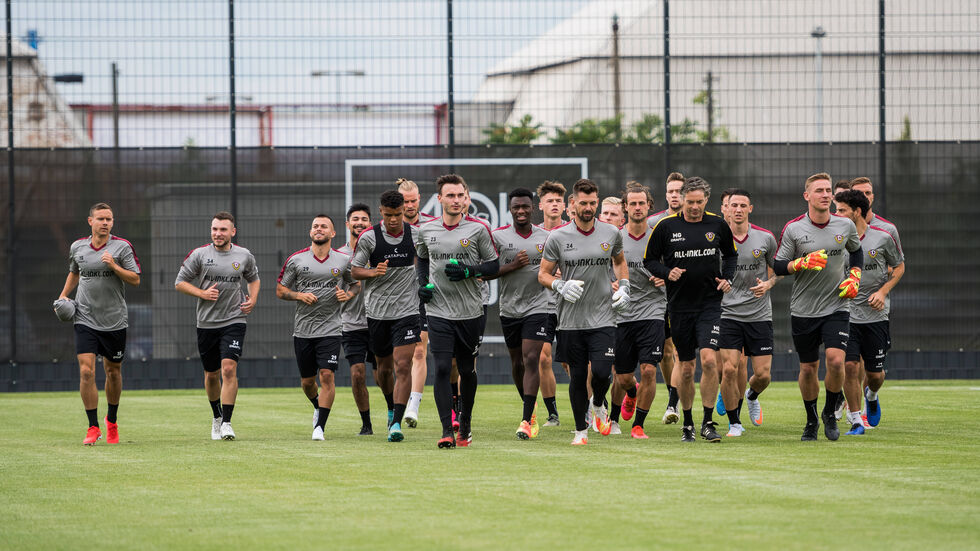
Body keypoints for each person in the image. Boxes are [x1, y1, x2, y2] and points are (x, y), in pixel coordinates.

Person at [644, 177, 737, 443]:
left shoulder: (717, 224)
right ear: (682, 199)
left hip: (709, 305)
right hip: (679, 307)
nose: (694, 207)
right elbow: (649, 260)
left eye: (699, 202)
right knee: (686, 368)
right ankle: (687, 423)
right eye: (690, 201)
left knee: (709, 360)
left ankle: (708, 422)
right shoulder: (665, 226)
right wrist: (666, 271)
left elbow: (730, 255)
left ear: (706, 200)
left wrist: (727, 278)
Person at [538, 178, 629, 446]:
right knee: (578, 376)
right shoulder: (558, 237)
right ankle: (581, 431)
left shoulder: (611, 233)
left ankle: (599, 403)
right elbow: (542, 274)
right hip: (570, 320)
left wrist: (624, 286)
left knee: (601, 373)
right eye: (583, 203)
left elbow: (620, 262)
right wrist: (559, 285)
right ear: (573, 204)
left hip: (603, 316)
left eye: (592, 203)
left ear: (597, 203)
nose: (587, 207)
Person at [773, 173, 863, 442]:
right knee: (809, 368)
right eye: (820, 190)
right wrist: (798, 264)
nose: (826, 194)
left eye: (828, 190)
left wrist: (855, 274)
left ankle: (828, 412)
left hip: (837, 306)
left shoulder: (845, 225)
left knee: (837, 362)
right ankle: (811, 419)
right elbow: (778, 265)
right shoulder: (794, 229)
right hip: (803, 309)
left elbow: (856, 251)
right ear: (807, 196)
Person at [415, 174, 499, 448]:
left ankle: (465, 423)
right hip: (438, 310)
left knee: (466, 370)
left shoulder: (478, 229)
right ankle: (445, 431)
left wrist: (469, 271)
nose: (456, 200)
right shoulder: (426, 230)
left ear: (467, 198)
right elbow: (422, 259)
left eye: (460, 195)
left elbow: (493, 266)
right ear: (439, 199)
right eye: (450, 196)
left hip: (471, 312)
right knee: (440, 367)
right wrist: (423, 286)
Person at [57, 202, 141, 445]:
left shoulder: (122, 247)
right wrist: (63, 295)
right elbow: (75, 271)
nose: (105, 223)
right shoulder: (78, 247)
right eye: (101, 218)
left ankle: (111, 421)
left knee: (113, 372)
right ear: (90, 221)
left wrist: (114, 266)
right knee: (86, 371)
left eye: (109, 219)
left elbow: (135, 279)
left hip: (114, 320)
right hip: (85, 317)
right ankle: (93, 426)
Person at [175, 211, 260, 441]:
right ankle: (216, 416)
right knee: (211, 375)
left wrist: (252, 299)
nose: (218, 233)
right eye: (215, 229)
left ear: (233, 232)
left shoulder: (244, 255)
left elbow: (253, 279)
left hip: (234, 320)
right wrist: (201, 293)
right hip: (206, 323)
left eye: (223, 229)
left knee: (229, 368)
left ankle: (227, 423)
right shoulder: (200, 255)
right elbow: (180, 282)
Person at [277, 214, 356, 440]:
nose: (318, 229)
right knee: (307, 382)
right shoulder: (296, 260)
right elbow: (281, 291)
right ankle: (316, 406)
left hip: (331, 328)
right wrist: (299, 295)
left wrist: (347, 294)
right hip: (303, 330)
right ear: (310, 232)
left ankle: (319, 427)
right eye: (315, 226)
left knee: (327, 376)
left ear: (332, 233)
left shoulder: (342, 260)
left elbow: (355, 285)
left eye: (323, 226)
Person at [351, 189, 420, 442]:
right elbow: (355, 271)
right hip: (378, 313)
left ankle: (397, 422)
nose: (393, 220)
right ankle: (391, 406)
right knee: (384, 369)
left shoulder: (415, 234)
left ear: (404, 211)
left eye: (398, 214)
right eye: (389, 215)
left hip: (408, 310)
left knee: (404, 365)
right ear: (380, 212)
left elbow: (424, 261)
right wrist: (373, 272)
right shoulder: (369, 238)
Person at [483, 188, 553, 440]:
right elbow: (486, 271)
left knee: (531, 357)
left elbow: (560, 265)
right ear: (510, 209)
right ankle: (529, 402)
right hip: (510, 309)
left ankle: (527, 419)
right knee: (517, 363)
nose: (521, 211)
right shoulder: (499, 237)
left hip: (539, 306)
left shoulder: (546, 237)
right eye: (516, 207)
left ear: (532, 208)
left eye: (525, 206)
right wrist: (512, 266)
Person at [833, 190, 904, 435]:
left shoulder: (883, 237)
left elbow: (899, 266)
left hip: (875, 316)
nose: (837, 215)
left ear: (857, 211)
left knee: (875, 374)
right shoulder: (836, 238)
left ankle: (871, 396)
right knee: (850, 366)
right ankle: (855, 420)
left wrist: (883, 292)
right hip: (845, 314)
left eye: (842, 210)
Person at [718, 190, 780, 436]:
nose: (738, 209)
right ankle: (734, 423)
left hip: (759, 314)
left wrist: (768, 284)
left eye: (743, 205)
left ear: (750, 209)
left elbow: (778, 270)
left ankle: (752, 395)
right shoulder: (716, 239)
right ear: (727, 208)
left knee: (763, 375)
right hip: (728, 313)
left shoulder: (765, 238)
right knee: (730, 369)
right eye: (734, 205)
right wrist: (718, 283)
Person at [614, 183, 667, 439]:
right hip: (621, 314)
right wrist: (611, 283)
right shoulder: (614, 237)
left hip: (653, 312)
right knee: (624, 377)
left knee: (648, 370)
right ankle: (631, 393)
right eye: (632, 203)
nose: (637, 207)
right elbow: (601, 271)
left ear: (649, 206)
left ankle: (638, 426)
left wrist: (665, 277)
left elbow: (677, 270)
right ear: (625, 207)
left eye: (641, 203)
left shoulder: (661, 235)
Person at [397, 178, 437, 427]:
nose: (409, 205)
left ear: (419, 198)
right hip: (397, 297)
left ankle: (413, 405)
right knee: (398, 358)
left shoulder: (431, 226)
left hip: (422, 294)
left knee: (420, 350)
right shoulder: (389, 227)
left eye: (413, 200)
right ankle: (396, 407)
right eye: (405, 201)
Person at [338, 203, 378, 436]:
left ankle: (393, 414)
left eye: (364, 219)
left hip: (378, 320)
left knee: (382, 374)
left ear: (369, 224)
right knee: (357, 373)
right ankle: (367, 423)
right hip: (351, 324)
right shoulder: (339, 256)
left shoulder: (377, 253)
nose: (359, 223)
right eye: (355, 219)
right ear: (347, 224)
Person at [648, 172, 684, 423]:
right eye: (670, 191)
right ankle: (674, 395)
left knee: (680, 350)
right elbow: (646, 255)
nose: (674, 195)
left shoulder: (696, 222)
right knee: (664, 352)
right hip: (656, 298)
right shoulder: (654, 223)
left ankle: (673, 404)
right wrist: (660, 273)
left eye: (679, 191)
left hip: (684, 296)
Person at [533, 180, 565, 427]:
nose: (554, 204)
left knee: (570, 360)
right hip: (542, 304)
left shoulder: (572, 232)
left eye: (558, 201)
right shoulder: (533, 234)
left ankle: (589, 404)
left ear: (565, 206)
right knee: (543, 357)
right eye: (550, 200)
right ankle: (552, 413)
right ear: (540, 204)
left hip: (570, 305)